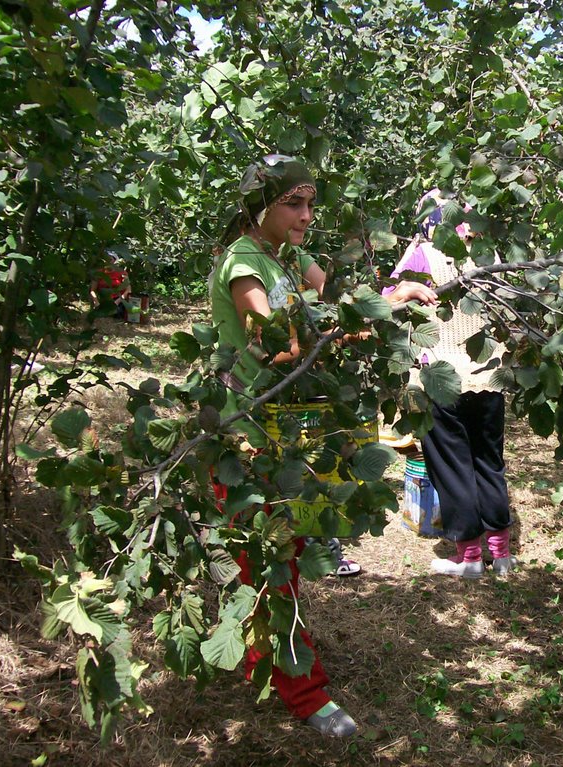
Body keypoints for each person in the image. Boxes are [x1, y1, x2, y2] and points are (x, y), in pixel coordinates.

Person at [209, 154, 356, 737]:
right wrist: (339, 328)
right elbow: (278, 348)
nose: (306, 215)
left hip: (290, 430)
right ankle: (302, 692)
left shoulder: (289, 257)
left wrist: (391, 301)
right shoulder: (244, 265)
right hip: (247, 441)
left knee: (288, 551)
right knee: (269, 566)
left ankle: (265, 658)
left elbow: (339, 293)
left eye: (311, 203)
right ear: (259, 204)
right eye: (293, 203)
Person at [382, 190, 517, 578]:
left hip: (441, 379)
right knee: (488, 463)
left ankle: (470, 557)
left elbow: (382, 302)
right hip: (489, 377)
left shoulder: (422, 253)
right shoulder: (487, 253)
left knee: (453, 467)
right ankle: (501, 555)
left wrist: (402, 292)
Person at [90, 254, 131, 319]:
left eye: (110, 259)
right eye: (105, 259)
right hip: (103, 300)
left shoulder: (122, 273)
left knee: (117, 314)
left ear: (114, 261)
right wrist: (96, 302)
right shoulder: (98, 273)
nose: (107, 261)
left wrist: (117, 301)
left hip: (117, 299)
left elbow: (128, 290)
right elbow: (92, 290)